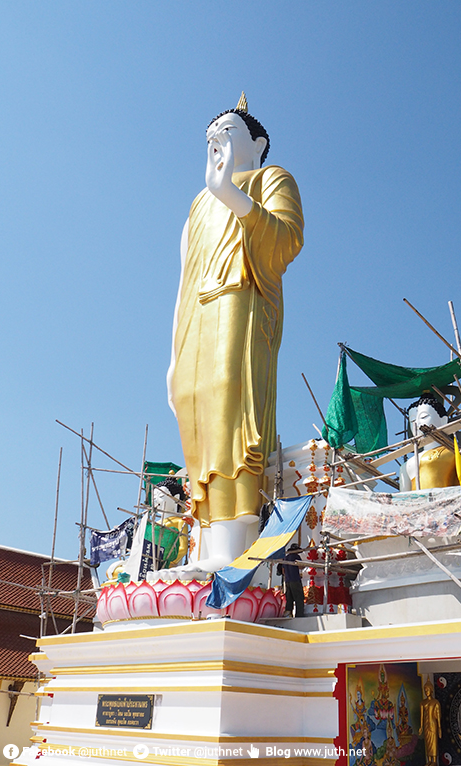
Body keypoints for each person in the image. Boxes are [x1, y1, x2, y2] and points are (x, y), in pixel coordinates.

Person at [167, 94, 304, 576]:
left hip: (241, 300)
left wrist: (229, 191)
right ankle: (202, 549)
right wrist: (173, 356)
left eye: (229, 132)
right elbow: (185, 279)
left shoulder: (272, 178)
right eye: (211, 137)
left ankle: (233, 545)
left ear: (258, 143)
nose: (217, 141)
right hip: (198, 315)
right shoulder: (198, 203)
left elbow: (286, 242)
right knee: (196, 411)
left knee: (230, 409)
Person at [399, 392, 461, 491]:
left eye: (424, 417)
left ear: (443, 420)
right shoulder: (406, 466)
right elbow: (404, 500)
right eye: (413, 420)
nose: (417, 423)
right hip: (419, 505)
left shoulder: (455, 452)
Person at [419, 678, 443, 766]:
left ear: (431, 690)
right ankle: (429, 760)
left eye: (428, 689)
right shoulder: (422, 703)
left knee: (434, 743)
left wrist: (439, 728)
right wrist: (420, 727)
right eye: (425, 689)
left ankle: (434, 761)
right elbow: (421, 716)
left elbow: (438, 716)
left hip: (433, 724)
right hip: (426, 725)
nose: (426, 691)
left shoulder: (435, 702)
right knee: (427, 743)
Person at [278, 543, 305, 617]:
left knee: (289, 598)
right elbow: (301, 566)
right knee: (299, 598)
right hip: (295, 579)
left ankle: (287, 614)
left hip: (287, 580)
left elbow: (283, 571)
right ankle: (299, 615)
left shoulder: (285, 558)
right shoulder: (296, 557)